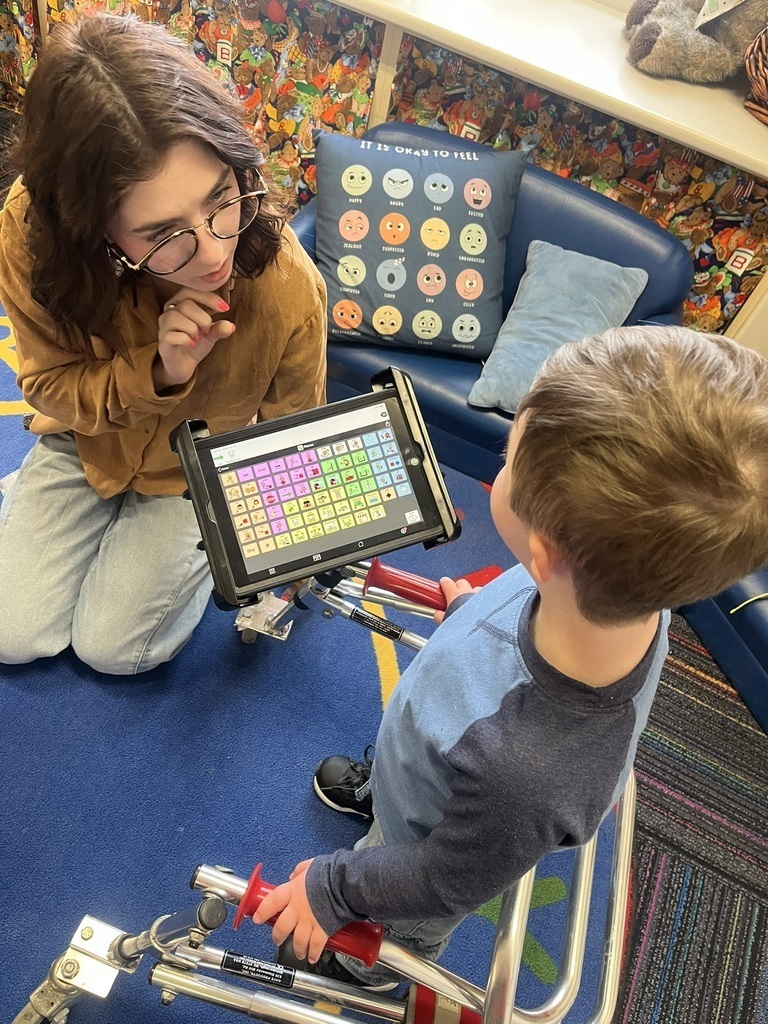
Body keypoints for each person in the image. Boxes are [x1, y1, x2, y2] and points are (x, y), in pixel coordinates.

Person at [254, 324, 768, 989]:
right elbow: (534, 595)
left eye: (507, 460)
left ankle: (365, 964)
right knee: (415, 781)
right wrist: (476, 610)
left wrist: (334, 889)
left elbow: (442, 879)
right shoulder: (625, 592)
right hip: (447, 764)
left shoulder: (523, 773)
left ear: (547, 553)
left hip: (442, 846)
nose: (500, 468)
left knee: (403, 896)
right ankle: (389, 798)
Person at [0, 14, 327, 675]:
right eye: (162, 232)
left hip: (193, 474)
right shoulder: (28, 232)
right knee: (13, 634)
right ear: (93, 231)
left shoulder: (286, 282)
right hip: (86, 436)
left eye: (222, 198)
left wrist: (269, 551)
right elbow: (45, 384)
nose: (214, 254)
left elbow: (295, 433)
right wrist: (156, 368)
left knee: (115, 651)